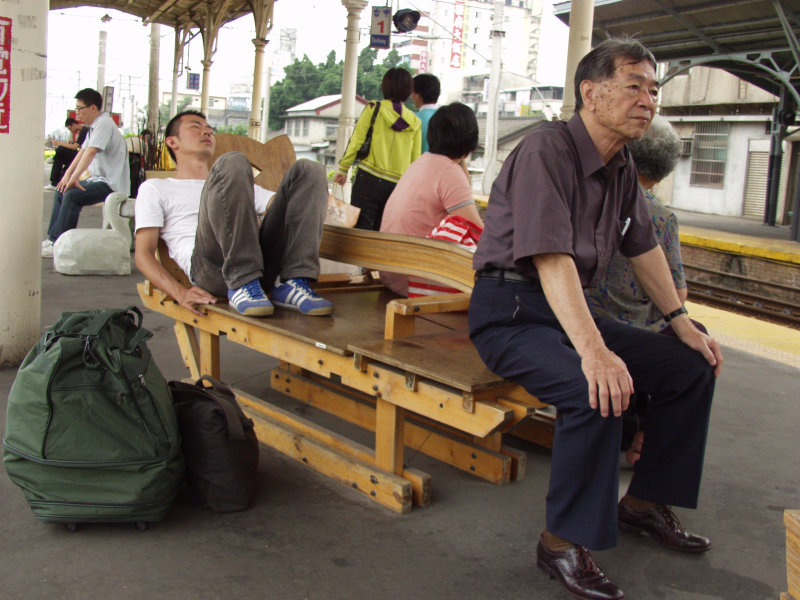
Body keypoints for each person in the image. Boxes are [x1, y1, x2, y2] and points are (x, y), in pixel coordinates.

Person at [468, 38, 723, 600]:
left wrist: (682, 321)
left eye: (654, 90)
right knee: (595, 389)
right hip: (512, 312)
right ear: (590, 91)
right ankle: (559, 542)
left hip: (570, 308)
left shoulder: (621, 164)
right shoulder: (545, 152)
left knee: (689, 364)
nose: (648, 100)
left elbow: (643, 246)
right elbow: (549, 257)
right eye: (634, 85)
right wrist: (595, 351)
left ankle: (642, 503)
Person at [134, 110, 333, 318]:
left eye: (210, 129)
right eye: (196, 126)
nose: (207, 131)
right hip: (211, 269)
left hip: (261, 268)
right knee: (233, 161)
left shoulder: (234, 181)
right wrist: (180, 293)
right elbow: (143, 254)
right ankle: (242, 282)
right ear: (173, 142)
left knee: (309, 170)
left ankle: (293, 281)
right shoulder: (156, 188)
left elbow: (285, 206)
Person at [585, 114, 699, 466]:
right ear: (663, 172)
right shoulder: (661, 217)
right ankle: (643, 441)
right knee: (688, 353)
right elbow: (676, 296)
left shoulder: (593, 194)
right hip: (626, 329)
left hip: (583, 315)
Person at [379, 102, 482, 296]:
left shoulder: (420, 163)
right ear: (470, 141)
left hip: (391, 273)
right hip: (415, 279)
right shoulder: (450, 172)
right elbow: (478, 233)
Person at [42, 88, 130, 258]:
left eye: (80, 109)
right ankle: (53, 238)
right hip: (98, 180)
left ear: (93, 108)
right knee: (62, 190)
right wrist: (67, 177)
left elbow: (91, 153)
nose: (77, 113)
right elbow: (82, 152)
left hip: (111, 184)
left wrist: (74, 179)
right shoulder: (94, 127)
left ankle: (59, 243)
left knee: (72, 195)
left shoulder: (104, 124)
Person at [333, 68, 421, 230]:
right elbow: (415, 160)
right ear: (408, 91)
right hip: (396, 185)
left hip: (368, 178)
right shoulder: (415, 122)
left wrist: (344, 169)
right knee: (384, 231)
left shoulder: (374, 108)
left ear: (385, 86)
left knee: (361, 230)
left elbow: (356, 141)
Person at [45, 117, 88, 190]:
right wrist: (72, 142)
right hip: (80, 155)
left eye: (70, 129)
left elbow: (74, 147)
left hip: (84, 156)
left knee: (60, 150)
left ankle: (54, 182)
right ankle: (55, 183)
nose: (71, 131)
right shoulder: (82, 132)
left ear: (74, 124)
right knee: (59, 158)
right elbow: (78, 145)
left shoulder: (84, 130)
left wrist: (60, 143)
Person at [411, 73, 441, 154]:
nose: (411, 96)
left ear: (418, 95)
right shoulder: (447, 118)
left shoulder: (413, 120)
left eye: (412, 92)